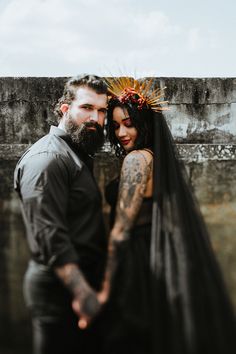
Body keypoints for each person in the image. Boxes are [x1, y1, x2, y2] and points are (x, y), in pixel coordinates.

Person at [82, 77, 236, 354]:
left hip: (139, 260)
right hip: (157, 256)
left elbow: (120, 231)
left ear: (144, 124)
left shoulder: (137, 160)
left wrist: (104, 288)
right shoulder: (155, 157)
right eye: (115, 125)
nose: (121, 133)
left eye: (128, 123)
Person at [14, 74, 108, 354]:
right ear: (65, 109)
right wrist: (82, 292)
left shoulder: (74, 153)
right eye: (87, 108)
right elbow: (48, 234)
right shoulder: (49, 159)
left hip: (78, 284)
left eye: (102, 110)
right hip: (60, 291)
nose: (96, 118)